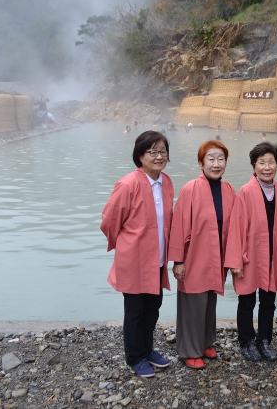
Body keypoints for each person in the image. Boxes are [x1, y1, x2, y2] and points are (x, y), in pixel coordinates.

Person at [100, 131, 173, 378]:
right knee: (135, 312)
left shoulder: (167, 182)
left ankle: (147, 350)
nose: (158, 156)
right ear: (140, 156)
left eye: (162, 151)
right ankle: (135, 357)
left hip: (158, 259)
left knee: (153, 308)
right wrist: (124, 246)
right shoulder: (128, 184)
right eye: (152, 151)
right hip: (134, 261)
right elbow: (109, 221)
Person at [169, 140, 236, 370]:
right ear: (201, 163)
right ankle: (189, 350)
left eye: (221, 159)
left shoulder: (228, 190)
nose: (216, 164)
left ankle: (206, 342)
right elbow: (178, 226)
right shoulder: (190, 189)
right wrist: (178, 261)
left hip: (217, 256)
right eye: (211, 159)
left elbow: (234, 226)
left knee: (209, 302)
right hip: (194, 256)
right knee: (193, 303)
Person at [225, 142, 277, 362]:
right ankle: (246, 341)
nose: (266, 167)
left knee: (269, 301)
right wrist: (235, 260)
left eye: (271, 162)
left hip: (272, 257)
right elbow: (236, 227)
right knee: (247, 301)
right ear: (254, 165)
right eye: (261, 162)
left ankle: (264, 340)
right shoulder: (245, 191)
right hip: (250, 256)